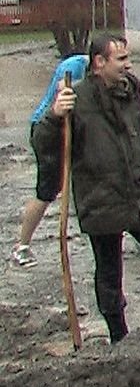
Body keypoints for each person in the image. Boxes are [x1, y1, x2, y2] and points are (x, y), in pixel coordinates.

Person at [35, 33, 140, 343]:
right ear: (99, 63)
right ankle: (118, 335)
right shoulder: (76, 100)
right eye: (121, 59)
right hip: (101, 198)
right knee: (109, 272)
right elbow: (43, 144)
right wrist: (55, 116)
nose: (128, 65)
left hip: (138, 194)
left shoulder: (131, 91)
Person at [10, 52, 89, 267]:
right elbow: (62, 92)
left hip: (70, 128)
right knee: (47, 190)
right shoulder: (74, 66)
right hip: (48, 130)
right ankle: (22, 246)